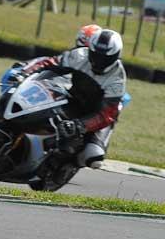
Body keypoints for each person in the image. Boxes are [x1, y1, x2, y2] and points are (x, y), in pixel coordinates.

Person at [21, 29, 126, 174]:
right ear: (90, 50)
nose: (99, 61)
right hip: (73, 100)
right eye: (96, 55)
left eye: (105, 58)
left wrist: (80, 125)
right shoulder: (79, 55)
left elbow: (107, 115)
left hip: (96, 115)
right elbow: (50, 63)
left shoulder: (117, 79)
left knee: (94, 157)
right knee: (40, 113)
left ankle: (69, 166)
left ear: (115, 56)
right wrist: (26, 72)